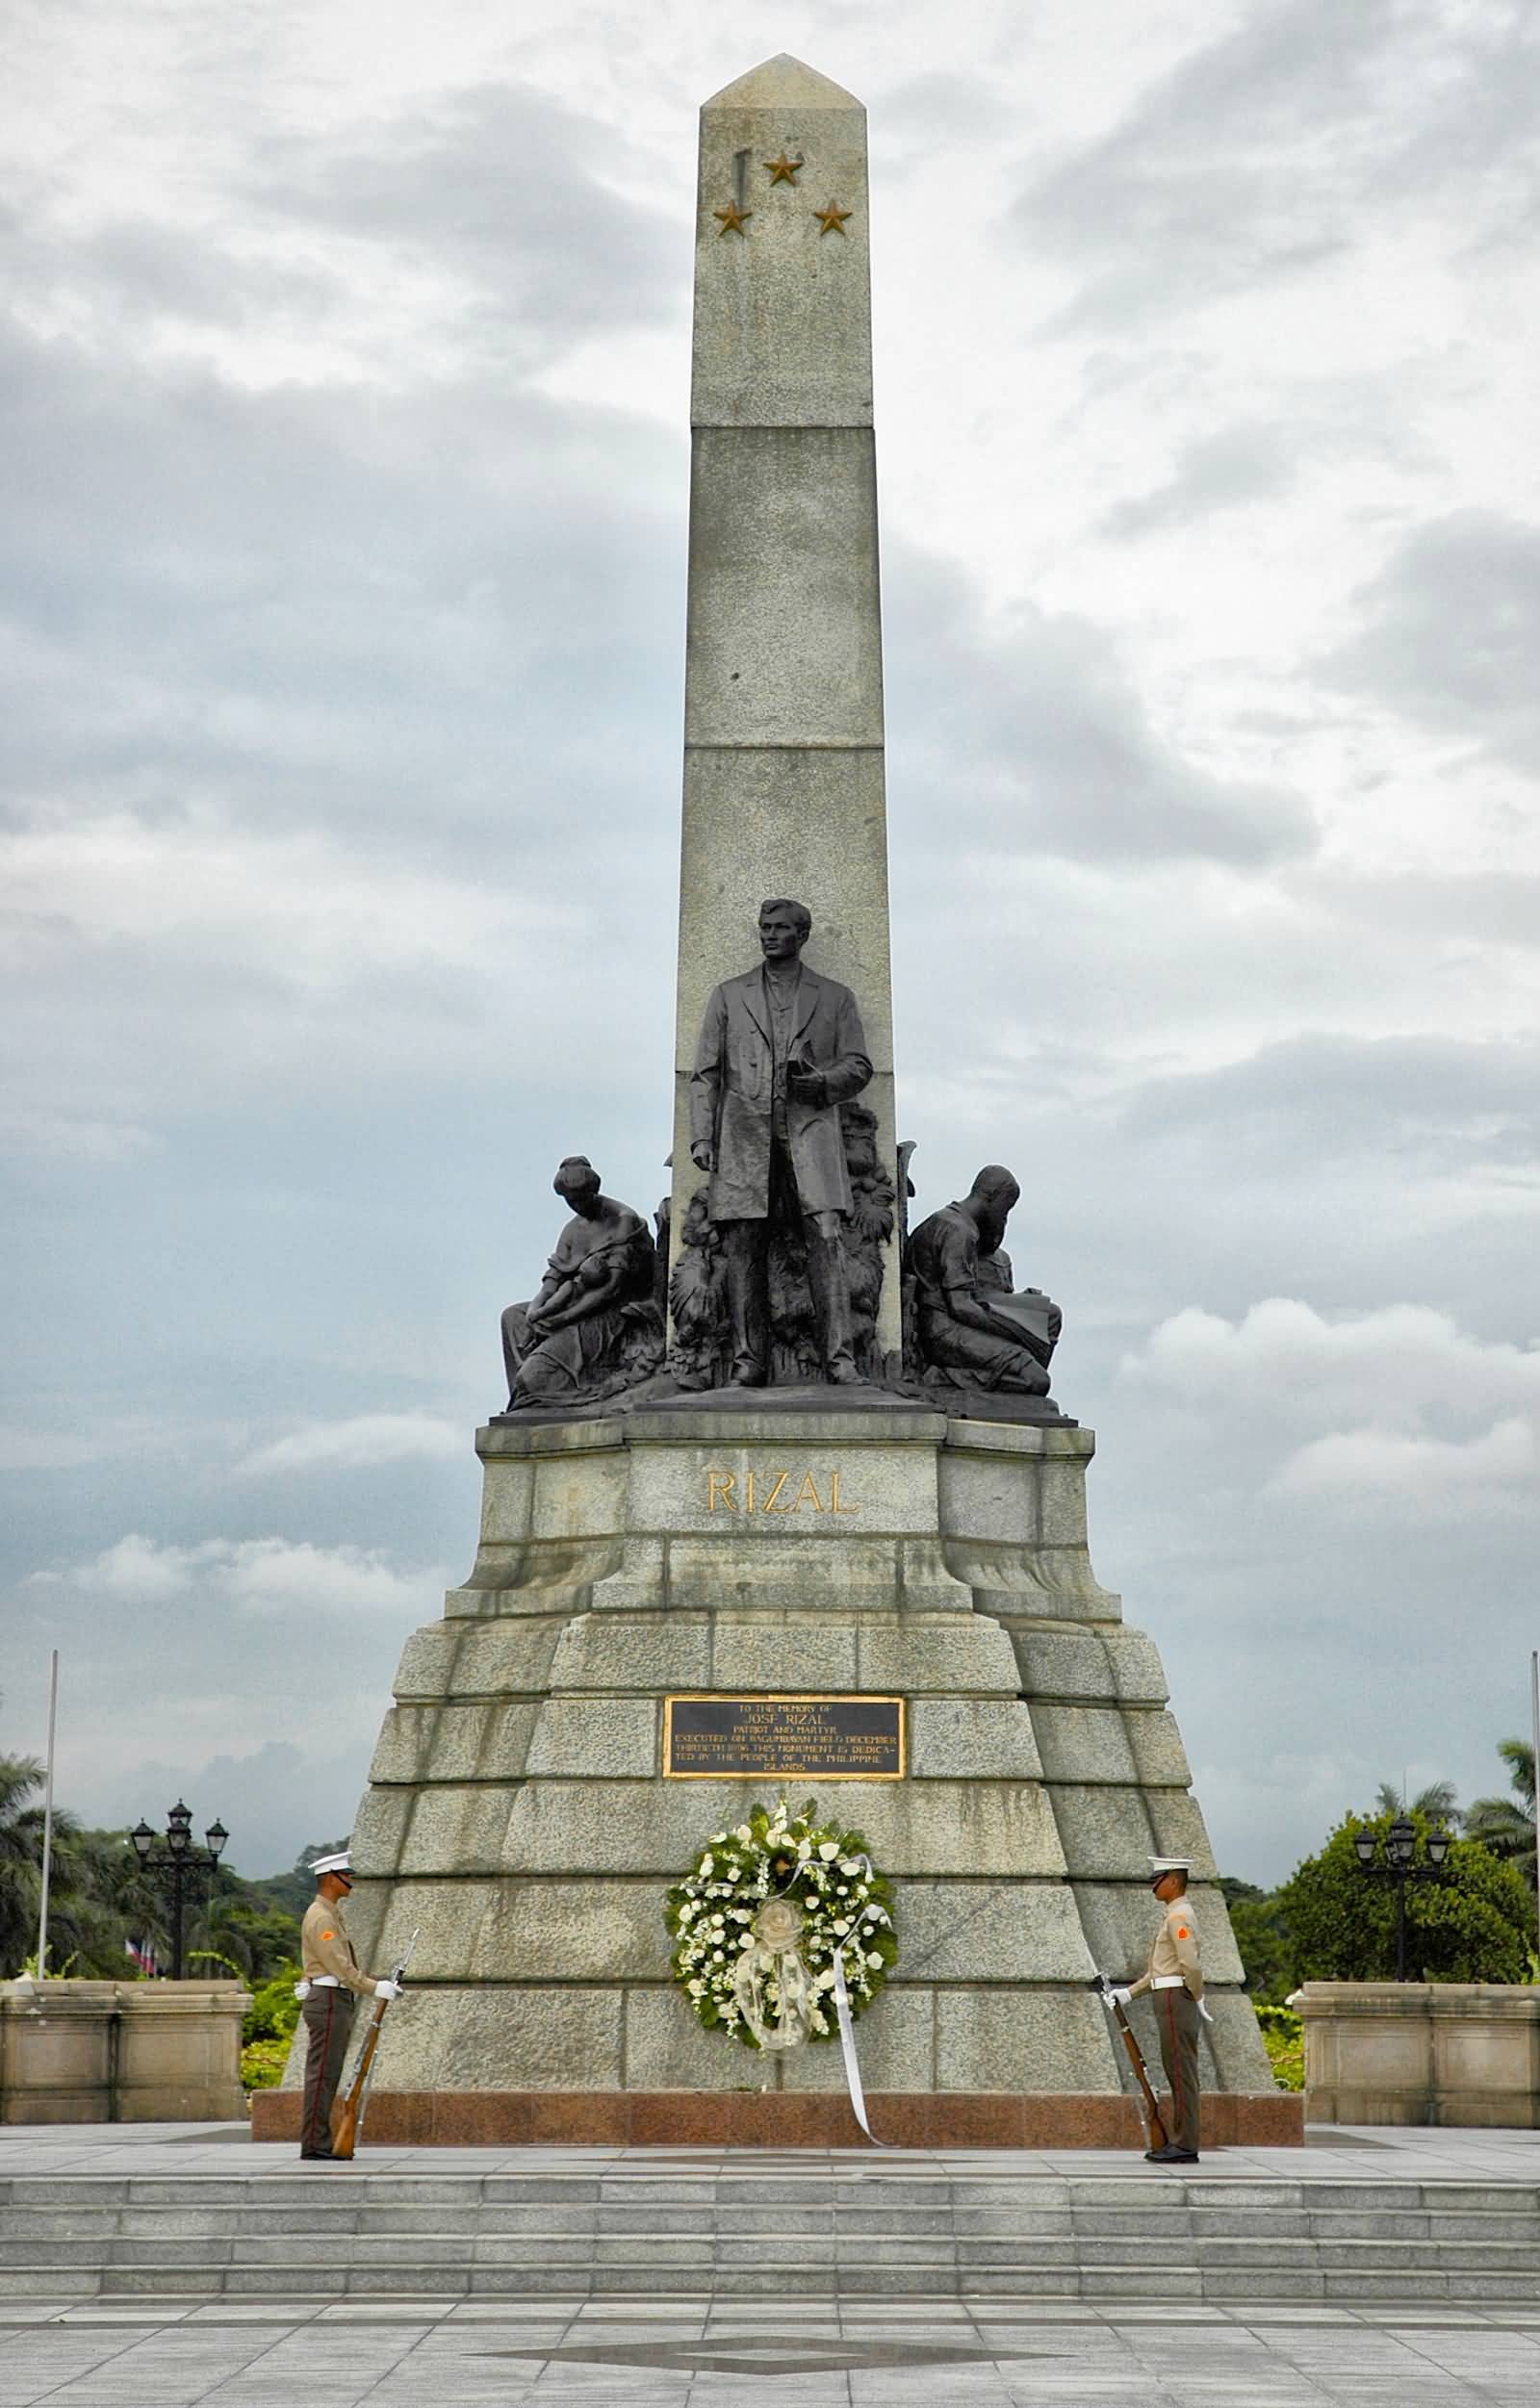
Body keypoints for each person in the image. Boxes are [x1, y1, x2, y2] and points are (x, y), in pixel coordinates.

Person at [689, 898, 873, 1386]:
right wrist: (702, 1137)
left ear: (802, 935)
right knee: (743, 1245)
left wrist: (824, 1083)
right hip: (744, 1138)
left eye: (781, 928)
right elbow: (705, 1074)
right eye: (765, 927)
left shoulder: (835, 997)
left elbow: (858, 1065)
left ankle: (840, 1358)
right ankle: (748, 1361)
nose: (770, 935)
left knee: (828, 1237)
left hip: (810, 1134)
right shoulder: (729, 995)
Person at [500, 1157, 663, 1408]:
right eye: (569, 1200)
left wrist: (560, 1319)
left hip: (609, 1314)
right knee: (513, 1317)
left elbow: (612, 1289)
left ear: (593, 1191)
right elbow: (552, 1282)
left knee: (531, 1377)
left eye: (580, 1198)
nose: (576, 1206)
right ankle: (529, 1397)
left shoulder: (623, 1220)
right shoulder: (572, 1229)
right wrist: (535, 1311)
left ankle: (544, 1390)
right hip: (571, 1305)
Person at [908, 1166, 1061, 1394]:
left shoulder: (957, 1224)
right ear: (992, 1197)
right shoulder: (958, 1230)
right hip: (942, 1331)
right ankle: (941, 1378)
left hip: (953, 1324)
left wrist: (1022, 1305)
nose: (1004, 1217)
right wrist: (1020, 1330)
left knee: (1049, 1314)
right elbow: (960, 1306)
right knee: (1037, 1380)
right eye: (1005, 1210)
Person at [295, 1850, 401, 2163]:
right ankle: (315, 2143)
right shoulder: (322, 1917)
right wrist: (374, 1987)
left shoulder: (329, 1913)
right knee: (322, 2074)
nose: (351, 1881)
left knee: (328, 2072)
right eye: (346, 1875)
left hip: (333, 1999)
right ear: (330, 1879)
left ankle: (319, 2140)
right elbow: (340, 1966)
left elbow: (319, 1957)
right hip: (328, 2001)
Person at [1103, 1856, 1210, 2164]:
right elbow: (1160, 1971)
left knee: (1181, 2072)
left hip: (1175, 1999)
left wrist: (1196, 1994)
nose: (1154, 1886)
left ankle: (1185, 2143)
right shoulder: (1173, 1915)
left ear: (1174, 1881)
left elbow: (1189, 1964)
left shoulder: (1178, 1918)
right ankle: (1180, 2140)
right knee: (1176, 2070)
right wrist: (1129, 1994)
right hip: (1169, 1995)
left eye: (1159, 1879)